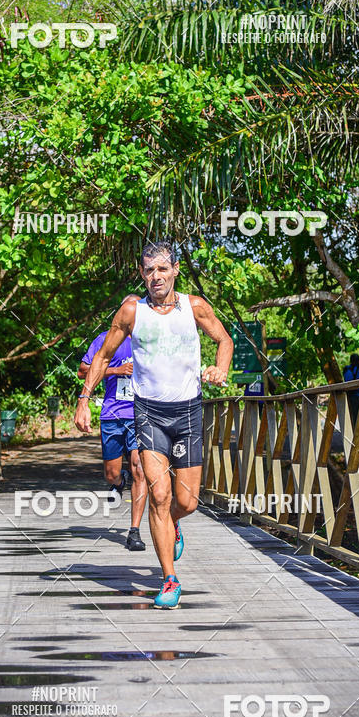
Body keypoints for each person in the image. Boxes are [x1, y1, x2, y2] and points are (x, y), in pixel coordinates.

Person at [75, 239, 234, 609]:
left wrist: (220, 369)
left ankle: (174, 524)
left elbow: (224, 340)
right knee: (158, 496)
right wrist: (84, 399)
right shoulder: (132, 311)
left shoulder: (194, 307)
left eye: (163, 269)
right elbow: (102, 356)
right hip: (147, 412)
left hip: (189, 410)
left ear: (175, 270)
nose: (156, 276)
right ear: (142, 274)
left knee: (187, 501)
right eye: (149, 270)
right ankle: (169, 578)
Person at [78, 297, 148, 552]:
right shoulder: (106, 338)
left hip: (141, 414)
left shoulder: (149, 338)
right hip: (112, 414)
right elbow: (83, 370)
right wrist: (117, 371)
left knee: (140, 468)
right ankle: (119, 483)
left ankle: (134, 531)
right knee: (111, 473)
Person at [343, 353, 359, 426]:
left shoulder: (347, 369)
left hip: (351, 396)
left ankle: (355, 431)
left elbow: (347, 381)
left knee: (354, 415)